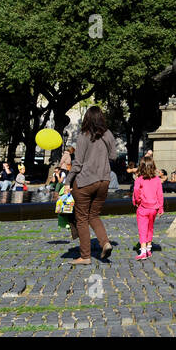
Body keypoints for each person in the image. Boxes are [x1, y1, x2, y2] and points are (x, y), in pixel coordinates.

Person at [69, 106, 117, 264]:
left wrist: (67, 181)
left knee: (82, 218)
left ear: (87, 118)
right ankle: (105, 242)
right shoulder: (108, 134)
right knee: (94, 215)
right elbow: (114, 156)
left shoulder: (83, 136)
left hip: (85, 181)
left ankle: (85, 256)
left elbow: (77, 164)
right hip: (104, 181)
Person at [132, 155, 165, 260]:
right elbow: (160, 194)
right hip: (154, 208)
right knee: (150, 227)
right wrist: (161, 208)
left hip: (143, 207)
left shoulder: (139, 179)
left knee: (142, 228)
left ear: (141, 167)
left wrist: (137, 200)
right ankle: (149, 249)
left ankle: (143, 251)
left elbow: (136, 190)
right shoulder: (157, 180)